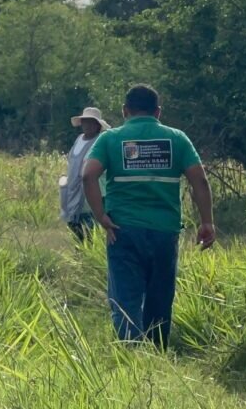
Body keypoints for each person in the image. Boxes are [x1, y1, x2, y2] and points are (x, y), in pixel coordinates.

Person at [80, 84, 214, 348]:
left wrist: (100, 216)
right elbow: (200, 180)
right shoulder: (177, 138)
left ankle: (132, 356)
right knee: (160, 296)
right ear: (158, 112)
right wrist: (207, 221)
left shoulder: (110, 139)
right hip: (165, 231)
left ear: (124, 110)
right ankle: (156, 351)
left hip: (122, 229)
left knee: (126, 297)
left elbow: (87, 175)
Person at [60, 107, 109, 242]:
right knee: (76, 230)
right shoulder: (79, 139)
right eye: (85, 121)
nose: (87, 125)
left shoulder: (100, 141)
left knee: (91, 233)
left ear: (98, 125)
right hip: (74, 191)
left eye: (91, 122)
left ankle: (90, 261)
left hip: (93, 192)